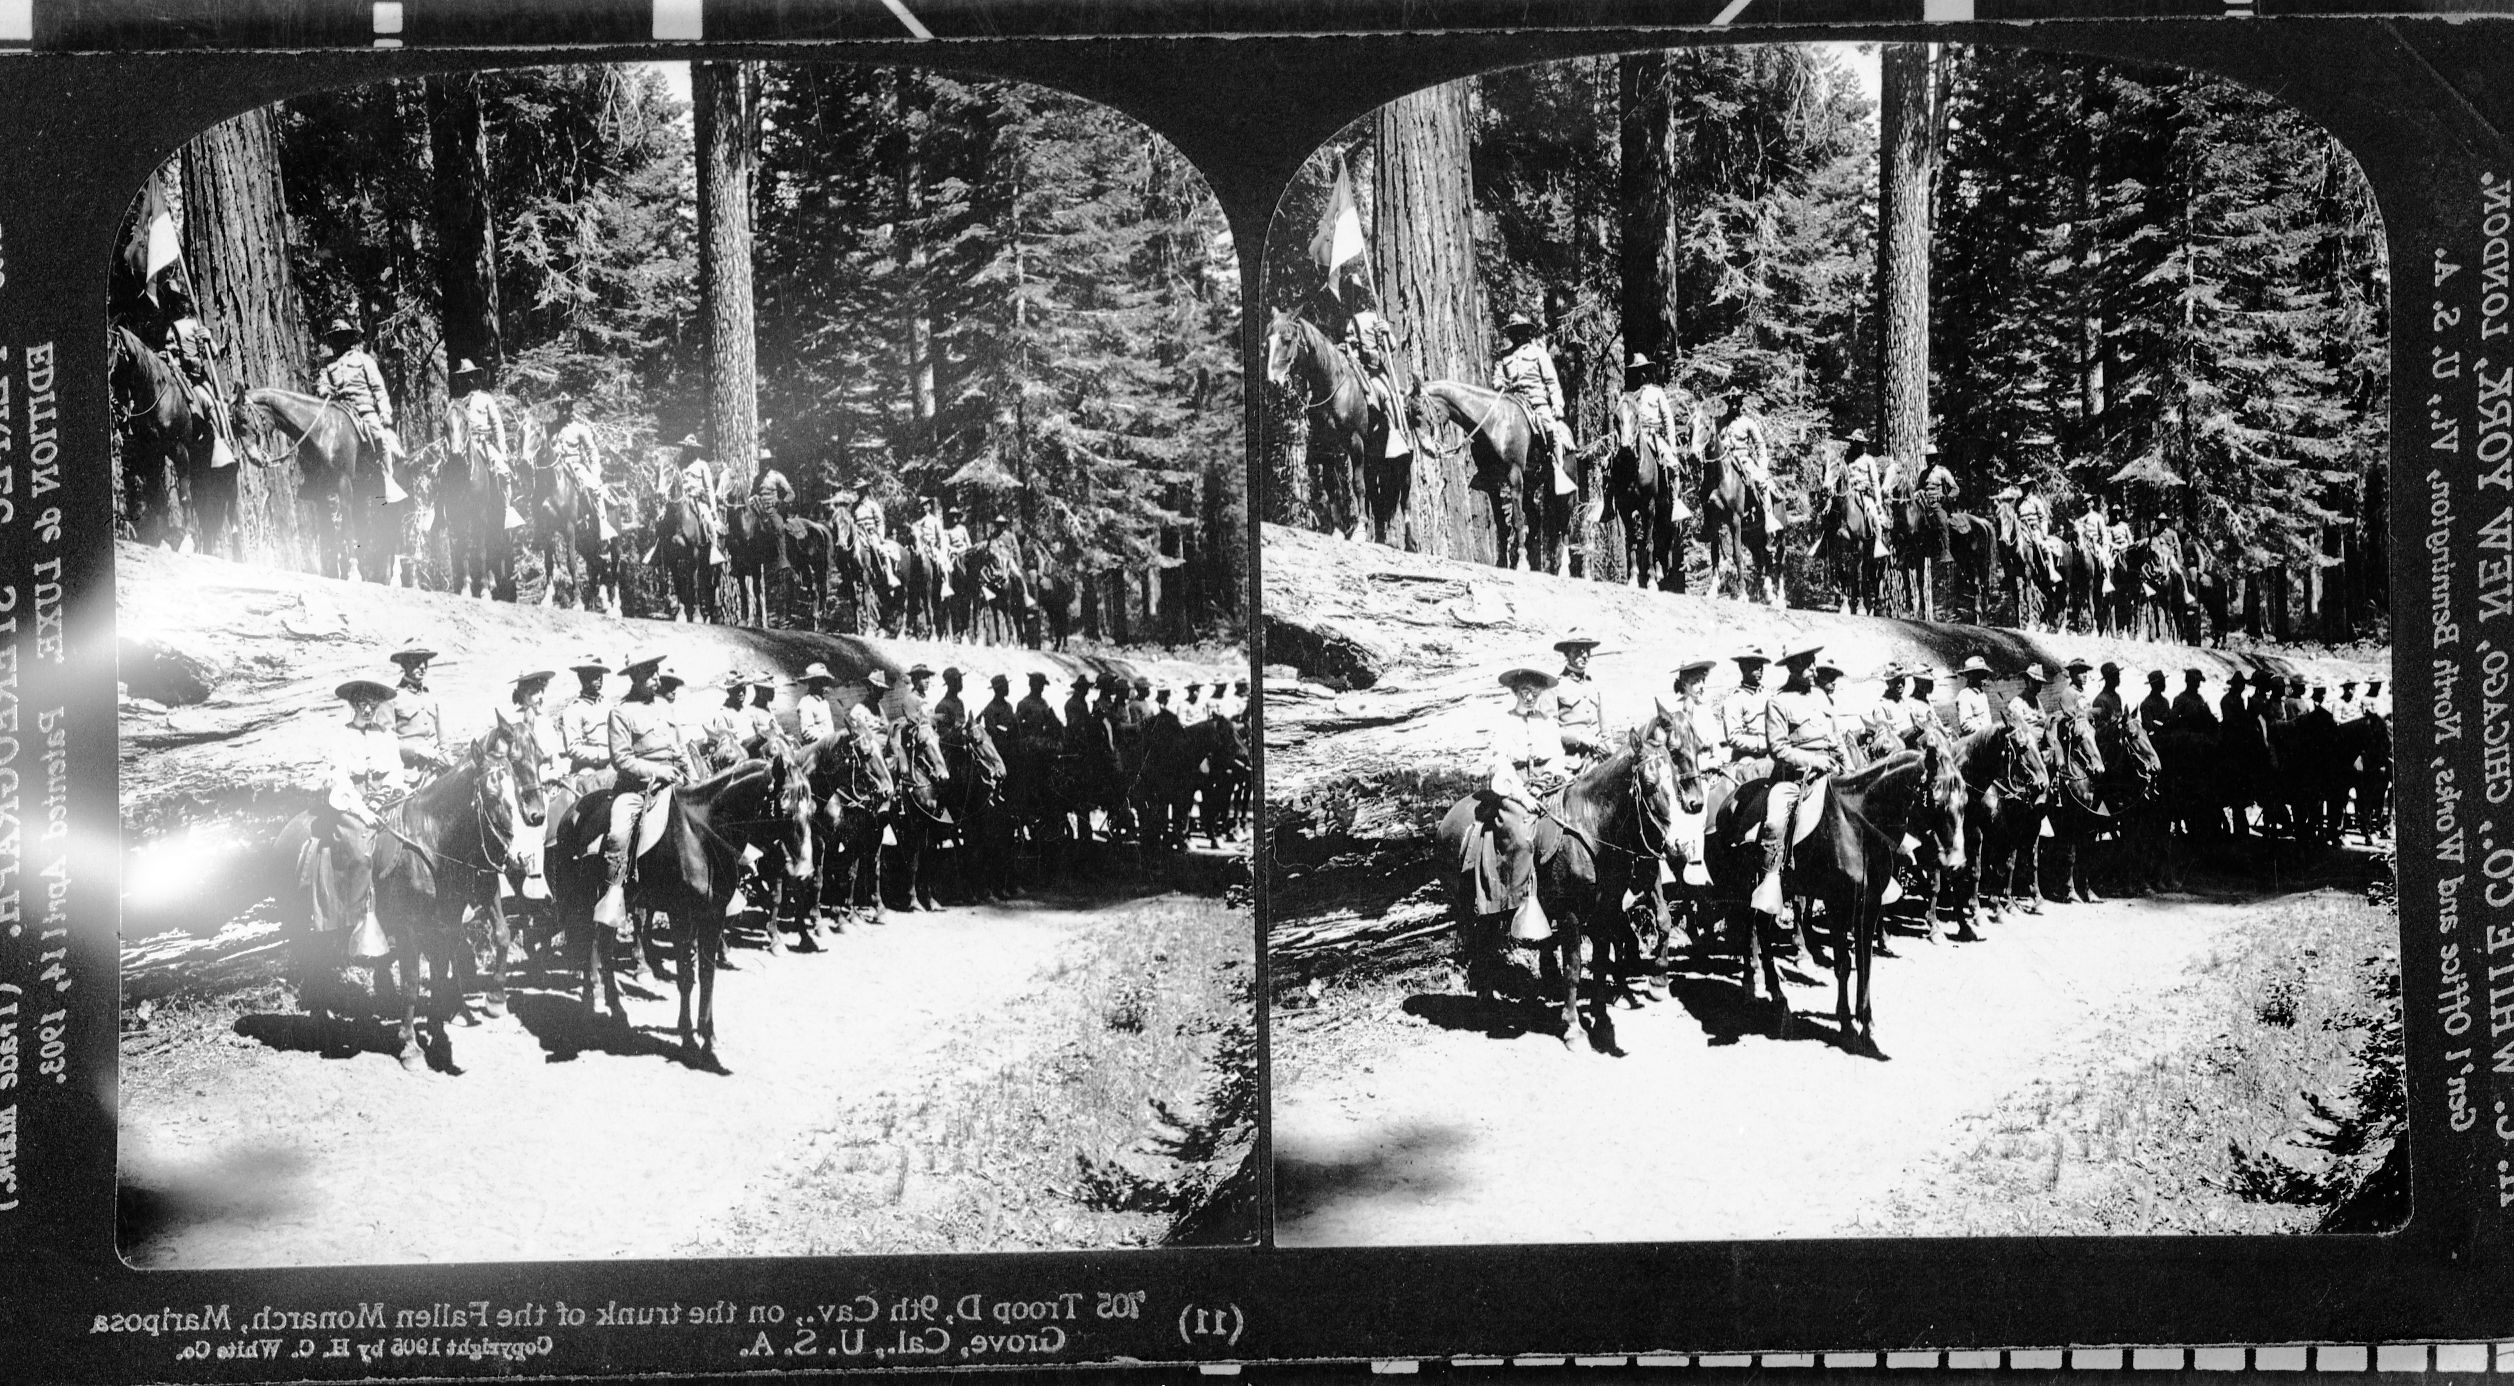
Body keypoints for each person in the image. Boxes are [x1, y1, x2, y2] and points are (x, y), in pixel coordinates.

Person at [597, 655, 690, 933]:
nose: (657, 679)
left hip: (676, 781)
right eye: (651, 674)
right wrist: (657, 771)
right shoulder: (621, 712)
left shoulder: (664, 706)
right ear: (636, 677)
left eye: (657, 673)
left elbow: (680, 748)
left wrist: (696, 778)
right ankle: (613, 896)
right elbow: (622, 760)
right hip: (636, 789)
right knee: (618, 835)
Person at [318, 678, 409, 957]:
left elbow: (396, 770)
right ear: (353, 704)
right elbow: (341, 780)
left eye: (373, 704)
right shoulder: (340, 737)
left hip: (385, 800)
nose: (368, 709)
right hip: (352, 806)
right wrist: (364, 810)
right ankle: (357, 924)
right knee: (360, 852)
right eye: (362, 703)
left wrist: (384, 798)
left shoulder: (386, 735)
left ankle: (401, 917)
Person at [1754, 645, 1842, 917]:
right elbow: (1778, 749)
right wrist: (1814, 761)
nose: (1814, 668)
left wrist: (1847, 765)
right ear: (1792, 668)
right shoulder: (1778, 702)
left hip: (1832, 769)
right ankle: (1771, 881)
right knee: (1774, 821)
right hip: (1794, 779)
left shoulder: (1821, 697)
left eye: (1813, 662)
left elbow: (1836, 737)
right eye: (1807, 664)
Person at [1481, 667, 1568, 936]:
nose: (1529, 696)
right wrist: (1523, 795)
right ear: (1515, 692)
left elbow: (1557, 758)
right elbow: (1502, 764)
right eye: (1524, 691)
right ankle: (1516, 909)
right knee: (1520, 836)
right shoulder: (1505, 721)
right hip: (1515, 791)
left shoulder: (1548, 721)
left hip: (1547, 786)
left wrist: (1549, 780)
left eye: (1534, 691)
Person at [315, 317, 406, 503]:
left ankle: (389, 480)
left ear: (349, 339)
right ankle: (320, 485)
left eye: (342, 337)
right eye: (335, 338)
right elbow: (321, 385)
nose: (339, 342)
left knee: (380, 437)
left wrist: (385, 412)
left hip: (365, 411)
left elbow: (378, 388)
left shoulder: (363, 360)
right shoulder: (329, 367)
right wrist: (325, 390)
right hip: (341, 412)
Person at [1492, 313, 1575, 498]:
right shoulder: (1505, 357)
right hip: (1514, 401)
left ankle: (1558, 470)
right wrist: (1500, 384)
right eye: (1514, 332)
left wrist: (1557, 405)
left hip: (1537, 402)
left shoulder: (1538, 353)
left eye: (1520, 331)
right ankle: (1494, 472)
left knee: (1550, 428)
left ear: (1527, 332)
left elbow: (1551, 381)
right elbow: (1497, 378)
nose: (1518, 335)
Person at [555, 655, 617, 793]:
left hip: (612, 764)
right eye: (594, 675)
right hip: (587, 769)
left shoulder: (609, 705)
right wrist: (603, 754)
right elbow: (573, 748)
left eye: (601, 675)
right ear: (583, 678)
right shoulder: (573, 710)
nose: (600, 678)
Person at [387, 641, 449, 775]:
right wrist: (416, 750)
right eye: (416, 661)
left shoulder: (431, 697)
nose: (422, 667)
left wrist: (451, 765)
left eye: (425, 662)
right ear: (404, 664)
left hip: (437, 770)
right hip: (409, 774)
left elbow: (443, 742)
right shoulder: (392, 699)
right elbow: (385, 743)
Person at [1824, 429, 1887, 558]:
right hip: (1847, 492)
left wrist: (1878, 501)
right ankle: (1823, 544)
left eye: (1858, 443)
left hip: (1863, 494)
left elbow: (1875, 482)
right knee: (1829, 515)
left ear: (1862, 445)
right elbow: (1837, 475)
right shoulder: (1845, 459)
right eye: (1853, 443)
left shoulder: (1868, 460)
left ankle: (1879, 543)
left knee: (1873, 516)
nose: (1855, 446)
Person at [1552, 631, 1605, 766]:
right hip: (1572, 762)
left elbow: (1605, 730)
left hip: (1598, 760)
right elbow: (1550, 730)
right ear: (1567, 653)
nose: (1585, 655)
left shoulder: (1593, 685)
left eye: (1588, 650)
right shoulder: (1556, 687)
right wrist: (1580, 738)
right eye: (1578, 651)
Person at [1720, 646, 1774, 767]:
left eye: (1761, 665)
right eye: (1755, 665)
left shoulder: (1769, 695)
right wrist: (1762, 744)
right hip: (1748, 756)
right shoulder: (1734, 700)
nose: (1760, 669)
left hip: (1772, 751)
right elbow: (1734, 737)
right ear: (1743, 667)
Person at [2015, 484, 2057, 584]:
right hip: (2021, 530)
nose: (2024, 488)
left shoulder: (2035, 501)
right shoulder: (2018, 502)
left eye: (2026, 486)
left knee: (2042, 545)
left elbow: (2043, 518)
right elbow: (2015, 517)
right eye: (2023, 486)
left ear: (2030, 488)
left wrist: (2043, 532)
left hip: (2034, 529)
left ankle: (2052, 571)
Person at [796, 662, 840, 743]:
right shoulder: (805, 703)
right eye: (820, 680)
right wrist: (829, 741)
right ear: (812, 682)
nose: (824, 684)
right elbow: (807, 733)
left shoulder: (824, 702)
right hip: (817, 749)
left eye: (825, 680)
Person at [1955, 656, 1997, 735]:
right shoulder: (1964, 696)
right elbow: (1966, 726)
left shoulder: (1982, 694)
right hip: (1976, 742)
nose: (1984, 676)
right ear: (1971, 675)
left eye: (1984, 673)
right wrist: (1987, 732)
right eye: (1980, 673)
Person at [848, 670, 890, 745]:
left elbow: (886, 725)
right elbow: (856, 732)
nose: (881, 696)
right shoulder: (858, 709)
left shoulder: (878, 708)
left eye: (882, 692)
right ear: (871, 689)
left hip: (883, 742)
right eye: (879, 692)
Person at [2009, 664, 2052, 733]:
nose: (2038, 685)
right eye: (2034, 682)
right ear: (2027, 681)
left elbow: (2044, 718)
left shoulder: (2036, 700)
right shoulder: (2016, 703)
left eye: (2039, 683)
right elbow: (2019, 729)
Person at [980, 673, 1019, 751]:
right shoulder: (990, 709)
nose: (1008, 688)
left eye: (1007, 685)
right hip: (998, 748)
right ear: (998, 689)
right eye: (1005, 686)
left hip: (1011, 745)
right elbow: (992, 733)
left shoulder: (1009, 706)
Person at [896, 664, 936, 730]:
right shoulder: (910, 699)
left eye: (928, 677)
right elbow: (915, 725)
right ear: (915, 680)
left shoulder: (925, 698)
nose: (927, 681)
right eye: (924, 678)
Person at [2137, 670, 2173, 739]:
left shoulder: (2165, 702)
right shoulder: (2146, 705)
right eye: (2161, 682)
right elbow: (2150, 729)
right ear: (2155, 685)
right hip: (2153, 741)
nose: (2164, 684)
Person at [2092, 661, 2127, 730]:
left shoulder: (2117, 697)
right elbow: (2101, 728)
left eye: (2118, 675)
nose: (2118, 678)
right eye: (2114, 676)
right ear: (2108, 679)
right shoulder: (2100, 700)